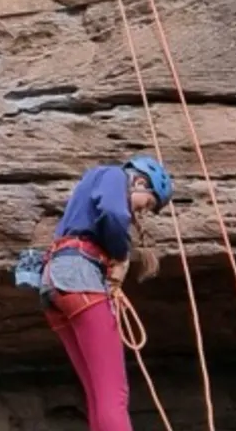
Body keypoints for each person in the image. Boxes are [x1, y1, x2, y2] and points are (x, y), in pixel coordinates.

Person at [40, 155, 174, 431]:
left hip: (56, 282)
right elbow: (114, 213)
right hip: (80, 277)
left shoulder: (89, 187)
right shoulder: (114, 175)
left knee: (97, 392)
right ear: (139, 181)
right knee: (114, 393)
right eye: (147, 204)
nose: (141, 213)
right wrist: (121, 255)